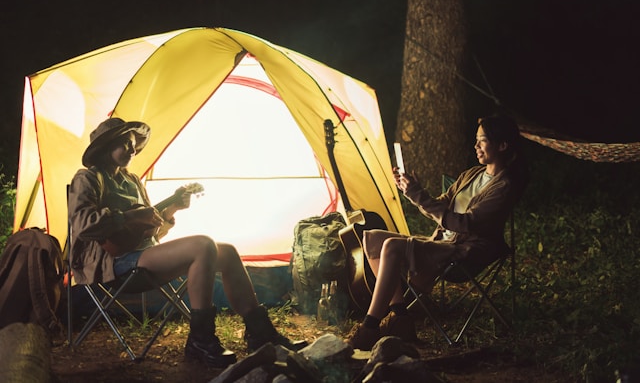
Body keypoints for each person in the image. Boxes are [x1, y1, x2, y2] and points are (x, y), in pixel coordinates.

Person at [68, 118, 307, 368]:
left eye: (132, 145)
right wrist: (130, 216)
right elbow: (83, 224)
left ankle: (261, 334)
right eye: (123, 145)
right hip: (113, 263)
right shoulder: (88, 179)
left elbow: (149, 234)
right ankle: (200, 340)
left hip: (143, 255)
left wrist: (172, 209)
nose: (131, 150)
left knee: (226, 252)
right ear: (107, 147)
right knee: (203, 244)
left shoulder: (133, 181)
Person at [346, 114, 529, 350]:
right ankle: (400, 318)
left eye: (482, 141)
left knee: (392, 246)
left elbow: (466, 224)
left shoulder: (504, 186)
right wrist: (413, 190)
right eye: (476, 140)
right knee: (372, 237)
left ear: (502, 145)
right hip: (443, 241)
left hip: (466, 250)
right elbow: (440, 207)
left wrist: (419, 197)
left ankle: (370, 326)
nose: (475, 146)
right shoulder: (471, 174)